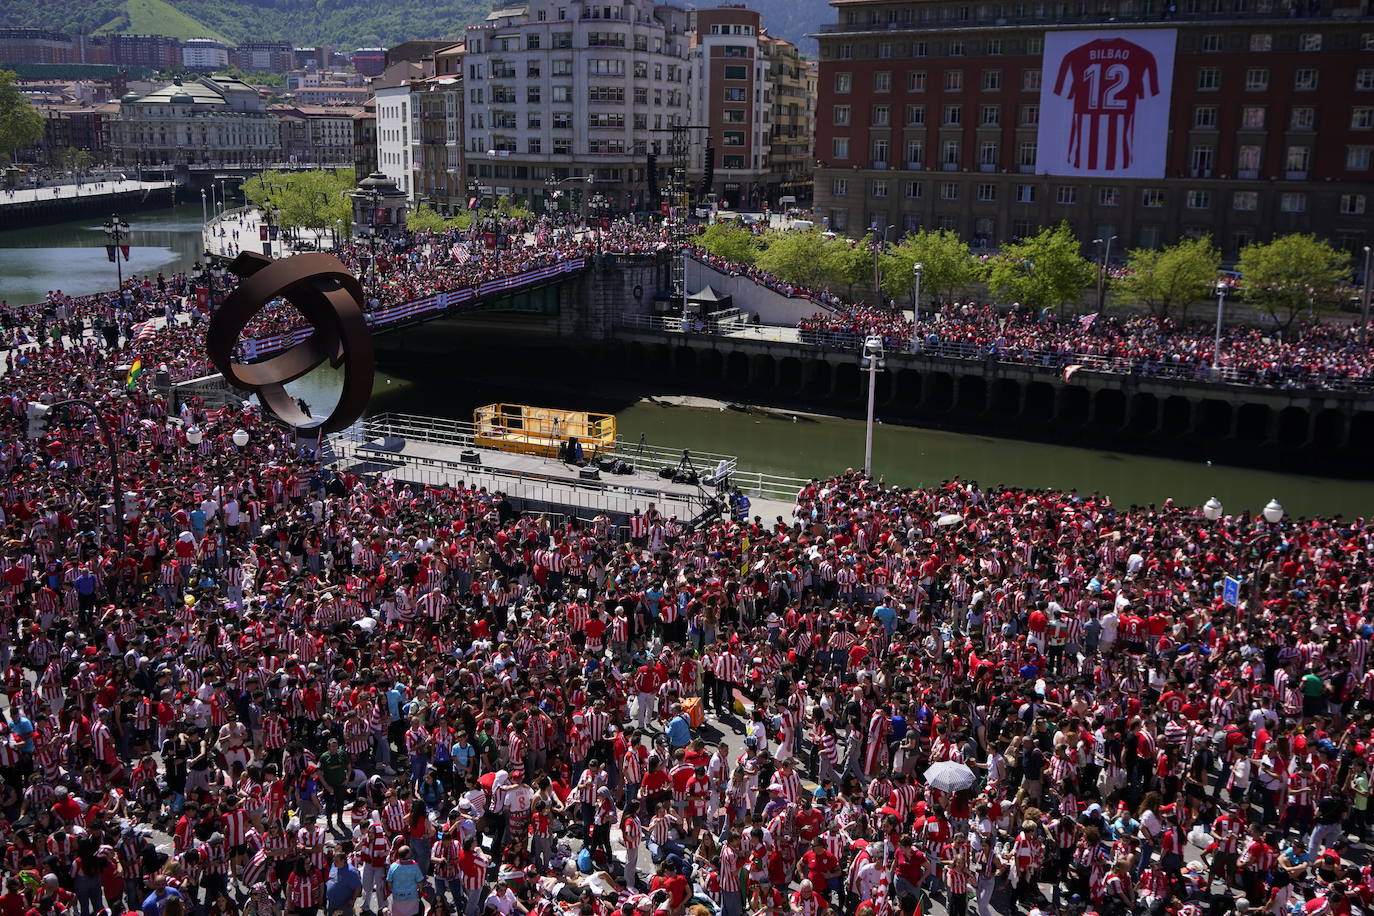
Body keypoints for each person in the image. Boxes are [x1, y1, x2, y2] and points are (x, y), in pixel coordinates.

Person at [387, 845, 427, 916]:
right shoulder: (414, 866)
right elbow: (420, 882)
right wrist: (420, 890)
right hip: (412, 898)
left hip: (397, 898)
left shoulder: (393, 866)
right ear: (407, 854)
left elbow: (389, 883)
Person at [326, 848, 363, 916]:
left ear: (343, 861)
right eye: (334, 860)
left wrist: (353, 899)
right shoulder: (334, 866)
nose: (334, 862)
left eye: (336, 861)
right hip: (331, 904)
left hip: (343, 906)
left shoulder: (351, 872)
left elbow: (358, 887)